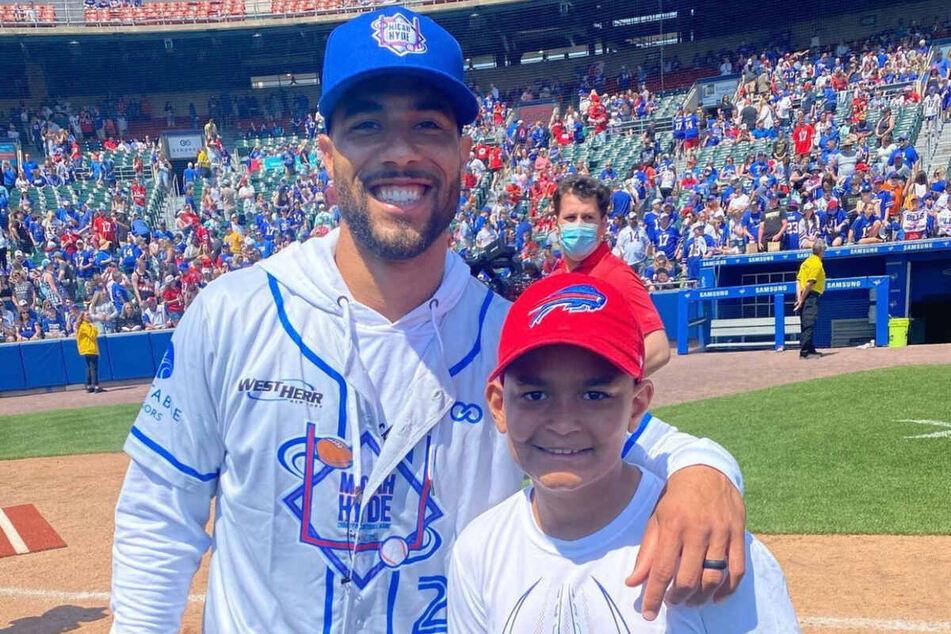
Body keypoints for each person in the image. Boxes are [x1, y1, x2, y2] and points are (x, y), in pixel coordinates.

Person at [111, 8, 747, 632]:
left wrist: (708, 473)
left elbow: (628, 431)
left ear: (464, 152)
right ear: (328, 155)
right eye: (368, 126)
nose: (402, 152)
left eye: (429, 126)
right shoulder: (231, 314)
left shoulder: (508, 335)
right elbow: (160, 513)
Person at [448, 273, 798, 632]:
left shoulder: (704, 543)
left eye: (595, 395)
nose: (564, 423)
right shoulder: (479, 550)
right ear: (498, 405)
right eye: (535, 395)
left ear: (636, 405)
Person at [552, 175, 670, 376]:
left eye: (588, 218)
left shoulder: (616, 275)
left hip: (592, 404)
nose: (579, 225)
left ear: (603, 224)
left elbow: (658, 349)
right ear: (557, 224)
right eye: (571, 218)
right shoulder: (554, 279)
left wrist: (602, 385)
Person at [795, 240, 826, 359]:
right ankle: (805, 352)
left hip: (803, 295)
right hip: (810, 296)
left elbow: (798, 281)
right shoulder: (817, 264)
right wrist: (802, 300)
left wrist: (799, 298)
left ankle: (810, 349)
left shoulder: (806, 262)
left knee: (806, 323)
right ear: (821, 251)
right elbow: (809, 284)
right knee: (809, 323)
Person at [76, 310, 103, 392]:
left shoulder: (85, 325)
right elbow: (92, 335)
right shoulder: (84, 326)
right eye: (87, 315)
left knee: (89, 367)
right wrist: (94, 327)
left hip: (89, 348)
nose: (89, 316)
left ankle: (89, 385)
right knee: (93, 368)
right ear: (83, 317)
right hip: (89, 349)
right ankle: (96, 386)